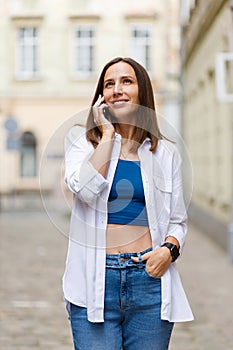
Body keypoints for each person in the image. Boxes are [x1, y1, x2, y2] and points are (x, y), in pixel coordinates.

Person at [63, 57, 193, 350]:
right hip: (94, 281)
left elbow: (178, 219)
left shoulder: (165, 153)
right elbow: (84, 190)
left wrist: (168, 250)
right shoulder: (81, 143)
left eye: (126, 81)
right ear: (101, 96)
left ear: (141, 90)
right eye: (109, 84)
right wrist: (108, 136)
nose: (117, 89)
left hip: (148, 279)